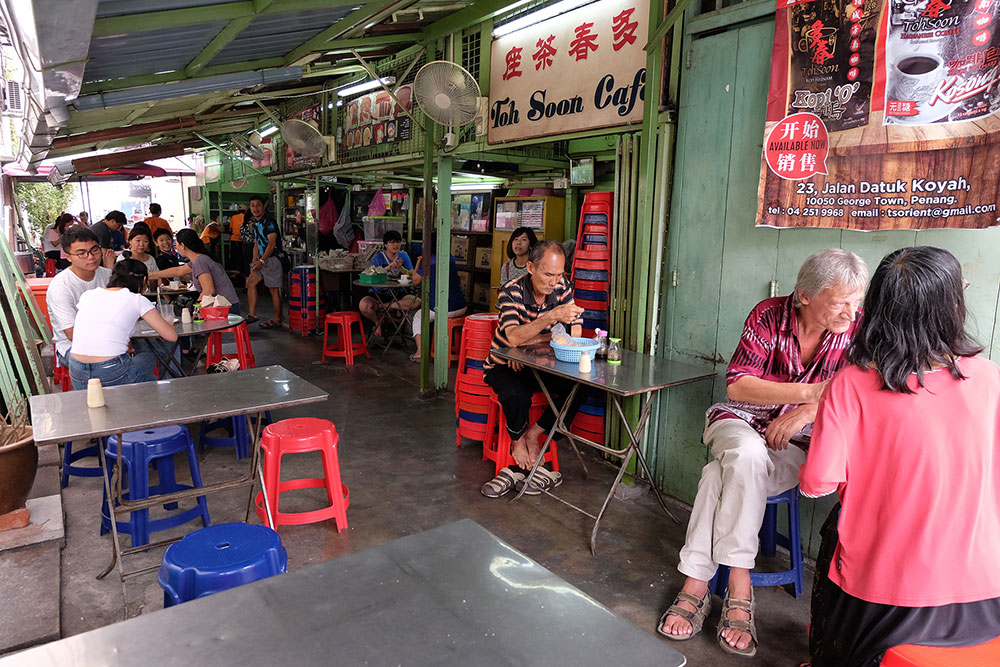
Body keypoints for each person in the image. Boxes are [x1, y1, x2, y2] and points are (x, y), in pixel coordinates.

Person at [658, 248, 868, 658]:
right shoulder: (768, 316)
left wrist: (807, 411)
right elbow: (738, 385)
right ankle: (740, 583)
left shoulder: (857, 329)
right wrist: (810, 393)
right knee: (747, 454)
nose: (850, 312)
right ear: (805, 295)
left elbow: (861, 388)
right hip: (739, 421)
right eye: (841, 302)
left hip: (798, 440)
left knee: (716, 477)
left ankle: (695, 584)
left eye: (856, 301)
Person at [800, 246, 1000, 667]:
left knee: (835, 531)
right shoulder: (990, 378)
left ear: (876, 309)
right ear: (952, 307)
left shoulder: (851, 384)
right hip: (986, 593)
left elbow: (816, 483)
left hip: (884, 602)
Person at [480, 240, 586, 498]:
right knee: (516, 394)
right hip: (503, 363)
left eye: (559, 275)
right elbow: (513, 338)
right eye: (548, 274)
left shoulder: (562, 286)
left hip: (542, 365)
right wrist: (550, 320)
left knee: (581, 387)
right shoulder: (511, 291)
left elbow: (575, 329)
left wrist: (532, 341)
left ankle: (534, 433)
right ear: (530, 267)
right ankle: (516, 440)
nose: (554, 282)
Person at [68, 259, 177, 389]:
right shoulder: (137, 300)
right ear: (143, 280)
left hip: (77, 371)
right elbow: (171, 336)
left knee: (140, 368)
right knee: (148, 358)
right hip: (112, 370)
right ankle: (156, 395)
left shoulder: (89, 295)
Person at [46, 226, 116, 369]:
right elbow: (73, 334)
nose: (91, 257)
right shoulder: (61, 286)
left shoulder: (108, 276)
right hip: (72, 346)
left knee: (153, 350)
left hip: (111, 338)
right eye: (81, 253)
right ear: (68, 256)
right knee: (104, 364)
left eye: (94, 250)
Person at [150, 229, 240, 313]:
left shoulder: (200, 261)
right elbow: (178, 270)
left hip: (225, 307)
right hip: (227, 304)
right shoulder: (198, 259)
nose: (176, 247)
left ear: (182, 245)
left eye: (176, 244)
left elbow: (209, 290)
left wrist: (195, 308)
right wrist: (151, 275)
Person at [410, 244, 467, 361]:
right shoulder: (450, 258)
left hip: (443, 309)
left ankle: (420, 350)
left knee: (418, 317)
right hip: (461, 306)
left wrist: (419, 261)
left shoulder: (427, 260)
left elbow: (415, 280)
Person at [359, 230, 417, 337]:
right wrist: (386, 269)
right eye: (392, 242)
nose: (396, 245)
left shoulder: (403, 256)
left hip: (399, 295)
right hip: (378, 294)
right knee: (364, 305)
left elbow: (413, 274)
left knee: (416, 302)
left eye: (398, 242)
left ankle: (381, 306)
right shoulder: (378, 257)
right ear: (385, 244)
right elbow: (371, 274)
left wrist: (401, 268)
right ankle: (377, 323)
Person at [245, 195, 284, 329]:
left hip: (272, 259)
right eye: (253, 206)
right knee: (250, 283)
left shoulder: (269, 222)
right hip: (261, 260)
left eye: (258, 205)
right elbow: (257, 242)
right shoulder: (256, 223)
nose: (255, 208)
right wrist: (254, 260)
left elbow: (271, 244)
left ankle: (277, 319)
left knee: (273, 290)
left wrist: (261, 260)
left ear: (263, 207)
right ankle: (252, 314)